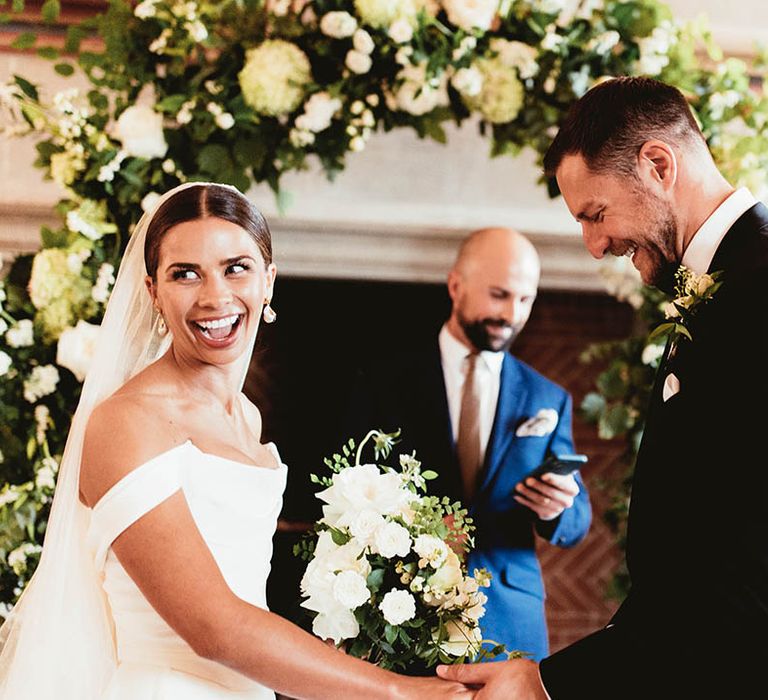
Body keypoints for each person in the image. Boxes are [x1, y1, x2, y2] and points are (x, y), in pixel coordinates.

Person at [0, 182, 473, 699]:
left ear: (268, 280)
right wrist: (401, 693)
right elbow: (214, 626)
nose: (215, 296)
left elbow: (245, 595)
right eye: (185, 274)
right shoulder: (127, 422)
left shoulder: (245, 416)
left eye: (236, 268)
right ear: (153, 291)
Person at [438, 77, 768, 698]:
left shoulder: (758, 291)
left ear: (658, 164)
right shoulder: (731, 283)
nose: (595, 246)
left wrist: (549, 685)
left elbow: (744, 571)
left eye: (596, 213)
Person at [347, 227, 591, 662]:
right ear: (456, 285)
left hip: (510, 619)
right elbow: (352, 490)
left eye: (525, 299)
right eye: (499, 295)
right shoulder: (384, 381)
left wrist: (559, 508)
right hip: (403, 613)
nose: (512, 314)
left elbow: (576, 523)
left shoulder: (547, 398)